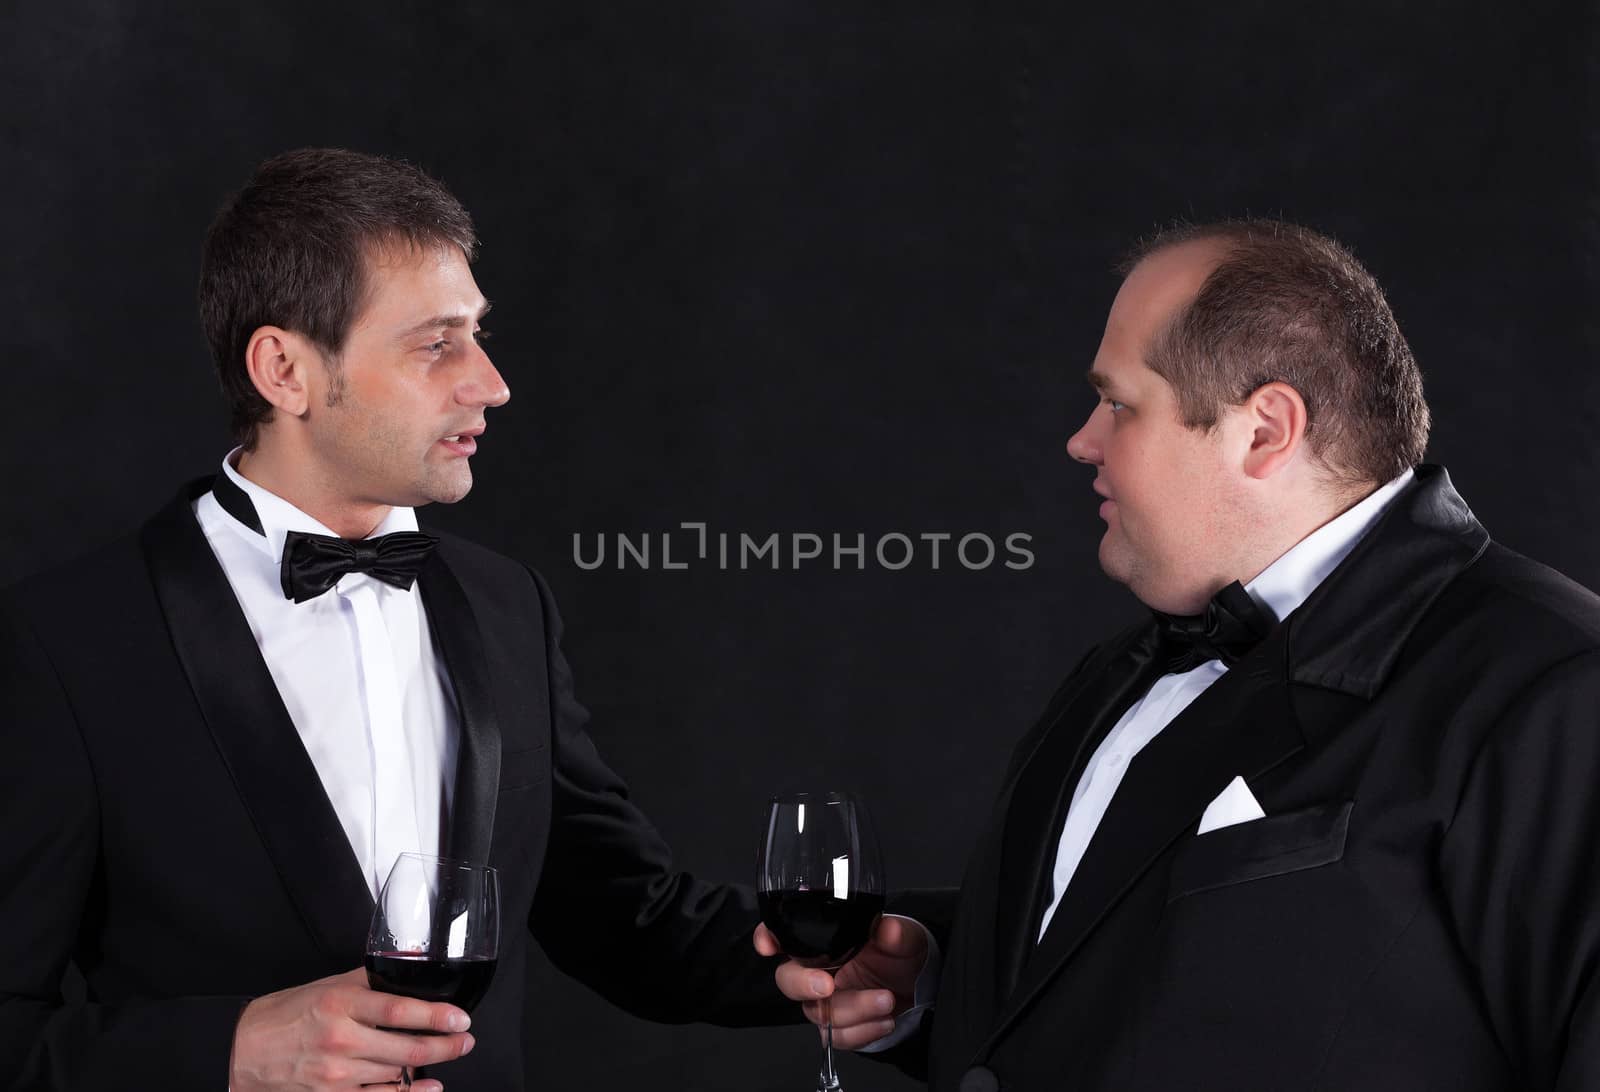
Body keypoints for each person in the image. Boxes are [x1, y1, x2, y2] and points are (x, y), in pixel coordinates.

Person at [0, 147, 789, 1091]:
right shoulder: (63, 644)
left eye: (479, 335)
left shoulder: (508, 606)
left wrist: (877, 951)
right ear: (284, 370)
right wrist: (232, 1053)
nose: (489, 383)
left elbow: (633, 924)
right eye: (435, 343)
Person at [759, 219, 1600, 1090]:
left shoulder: (1558, 692)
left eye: (1119, 403)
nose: (1082, 440)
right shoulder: (1123, 671)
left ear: (1265, 429)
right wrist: (933, 991)